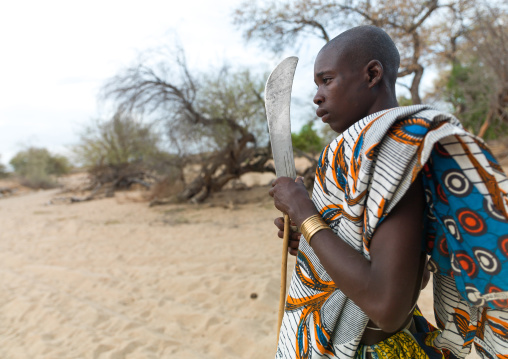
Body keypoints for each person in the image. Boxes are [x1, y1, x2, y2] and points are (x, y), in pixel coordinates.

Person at [269, 25, 508, 359]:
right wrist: (313, 242)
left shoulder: (395, 151)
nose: (317, 96)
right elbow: (412, 271)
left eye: (327, 80)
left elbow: (387, 305)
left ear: (372, 74)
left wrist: (304, 213)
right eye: (316, 84)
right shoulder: (361, 154)